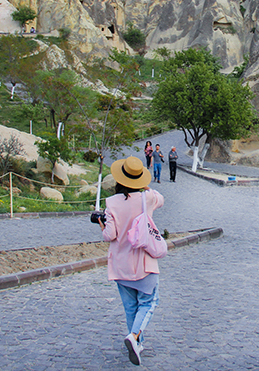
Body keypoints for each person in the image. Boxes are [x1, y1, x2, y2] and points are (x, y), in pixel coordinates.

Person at [98, 156, 164, 366]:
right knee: (149, 302)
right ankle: (135, 337)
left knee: (130, 307)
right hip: (144, 262)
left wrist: (102, 224)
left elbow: (109, 235)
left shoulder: (111, 203)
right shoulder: (149, 198)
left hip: (121, 264)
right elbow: (161, 198)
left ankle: (137, 341)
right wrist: (145, 187)